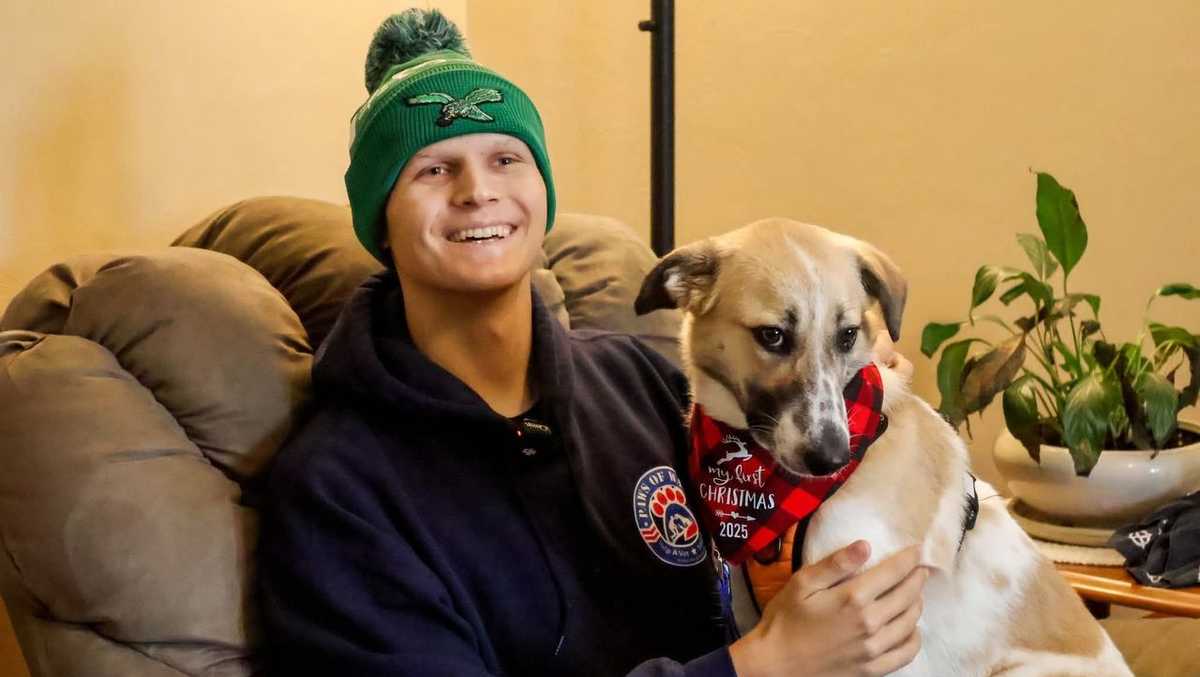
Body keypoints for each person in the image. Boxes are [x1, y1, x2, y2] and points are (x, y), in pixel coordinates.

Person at [258, 9, 926, 676]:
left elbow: (794, 491)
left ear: (542, 192)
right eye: (433, 170)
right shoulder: (335, 492)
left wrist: (850, 373)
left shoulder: (638, 380)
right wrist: (759, 665)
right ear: (381, 218)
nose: (478, 191)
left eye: (506, 159)